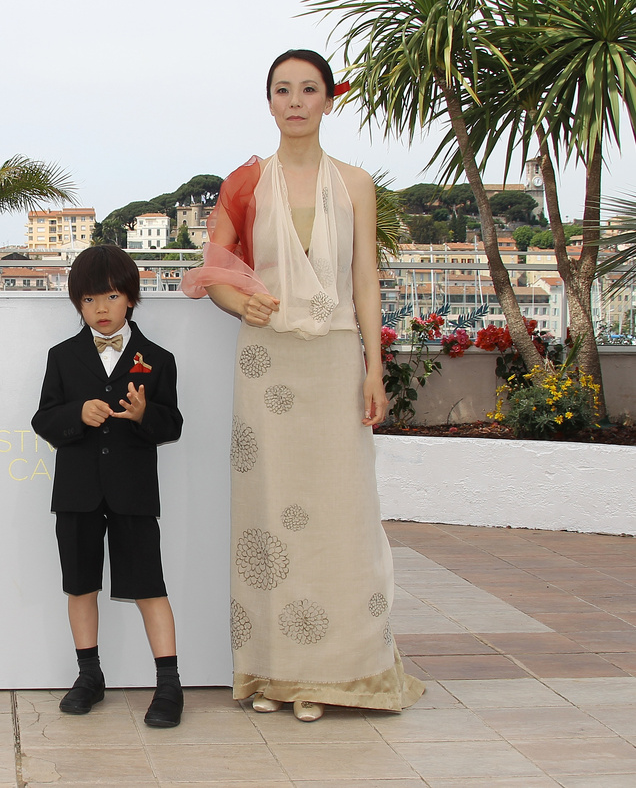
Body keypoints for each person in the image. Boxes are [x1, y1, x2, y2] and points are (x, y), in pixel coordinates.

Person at [182, 49, 424, 721]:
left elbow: (365, 277)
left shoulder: (354, 183)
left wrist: (376, 365)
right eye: (282, 89)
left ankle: (335, 675)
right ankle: (272, 672)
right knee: (268, 512)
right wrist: (242, 304)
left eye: (308, 89)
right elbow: (215, 270)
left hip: (337, 356)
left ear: (327, 100)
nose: (295, 100)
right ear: (268, 102)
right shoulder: (245, 183)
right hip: (267, 362)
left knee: (342, 515)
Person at [31, 244, 186, 728]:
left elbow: (172, 424)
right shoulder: (62, 357)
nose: (101, 308)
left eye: (112, 297)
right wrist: (76, 413)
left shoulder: (157, 359)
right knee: (80, 586)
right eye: (90, 299)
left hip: (133, 492)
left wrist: (143, 415)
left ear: (132, 299)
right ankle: (89, 676)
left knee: (148, 586)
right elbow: (43, 418)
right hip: (76, 493)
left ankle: (168, 685)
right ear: (77, 303)